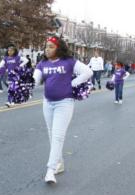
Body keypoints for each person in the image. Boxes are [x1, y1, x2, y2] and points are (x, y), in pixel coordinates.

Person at [33, 36, 93, 184]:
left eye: (51, 46)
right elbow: (35, 80)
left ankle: (50, 170)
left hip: (64, 103)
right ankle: (59, 163)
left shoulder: (69, 62)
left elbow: (88, 72)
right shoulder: (42, 64)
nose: (47, 49)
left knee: (58, 136)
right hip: (48, 103)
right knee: (51, 134)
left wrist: (73, 83)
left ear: (58, 48)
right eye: (46, 46)